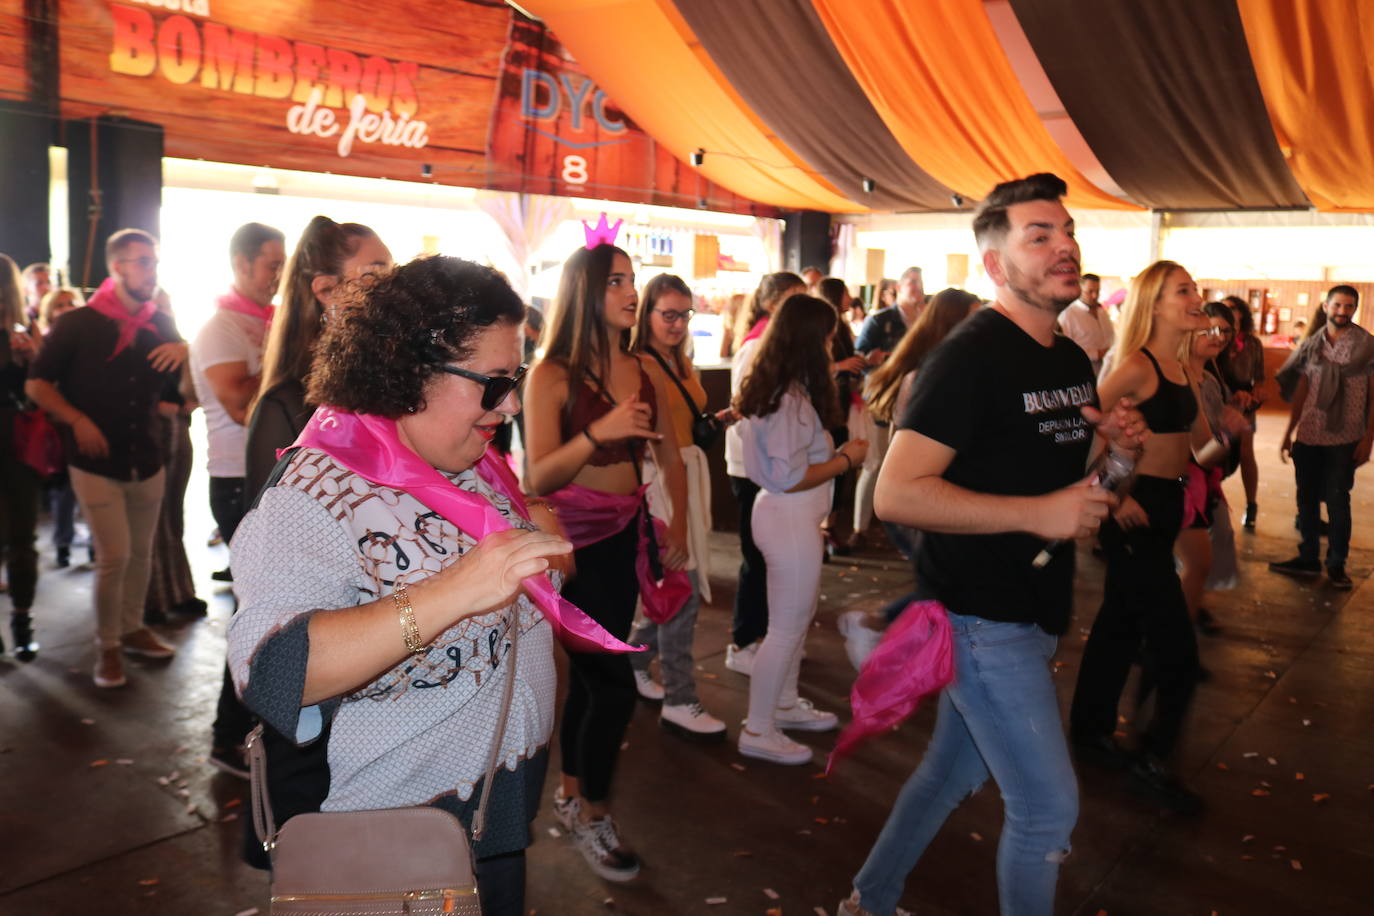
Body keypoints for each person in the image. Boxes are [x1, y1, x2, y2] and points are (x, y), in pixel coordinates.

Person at [227, 255, 576, 915]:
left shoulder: (469, 461)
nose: (509, 405)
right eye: (493, 383)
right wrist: (454, 591)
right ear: (413, 371)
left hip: (488, 816)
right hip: (396, 840)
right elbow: (273, 671)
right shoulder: (318, 492)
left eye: (516, 380)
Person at [838, 173, 1143, 916]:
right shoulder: (968, 357)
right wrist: (1038, 513)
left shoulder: (1070, 360)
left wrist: (1120, 456)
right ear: (996, 265)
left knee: (948, 775)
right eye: (1039, 235)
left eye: (1067, 231)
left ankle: (867, 901)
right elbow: (897, 493)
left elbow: (1074, 486)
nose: (1064, 245)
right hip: (978, 619)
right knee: (1046, 810)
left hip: (1032, 609)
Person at [524, 243, 690, 883]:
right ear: (585, 293)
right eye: (616, 281)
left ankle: (571, 793)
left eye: (631, 280)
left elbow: (669, 453)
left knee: (596, 680)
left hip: (626, 533)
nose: (629, 292)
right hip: (572, 545)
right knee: (614, 682)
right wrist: (602, 429)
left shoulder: (642, 365)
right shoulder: (551, 375)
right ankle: (592, 810)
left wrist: (682, 529)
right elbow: (538, 471)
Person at [1070, 261, 1246, 816]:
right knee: (1176, 650)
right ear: (1155, 303)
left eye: (1196, 288)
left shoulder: (1183, 367)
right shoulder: (1136, 367)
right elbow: (1083, 432)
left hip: (1169, 502)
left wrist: (1230, 432)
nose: (1196, 298)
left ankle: (1089, 728)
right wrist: (1114, 497)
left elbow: (1199, 453)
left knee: (1119, 625)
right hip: (1135, 507)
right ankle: (1154, 756)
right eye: (1184, 291)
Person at [26, 228, 188, 688]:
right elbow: (36, 385)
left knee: (139, 554)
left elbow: (184, 390)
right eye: (142, 262)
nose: (150, 271)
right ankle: (108, 647)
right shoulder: (78, 322)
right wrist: (76, 420)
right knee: (114, 557)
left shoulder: (161, 322)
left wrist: (185, 348)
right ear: (116, 267)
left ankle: (134, 628)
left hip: (148, 457)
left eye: (154, 262)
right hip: (95, 461)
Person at [735, 294, 868, 765]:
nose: (833, 348)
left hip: (791, 517)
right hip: (789, 516)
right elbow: (790, 476)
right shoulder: (787, 400)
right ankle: (759, 727)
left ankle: (783, 706)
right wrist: (845, 460)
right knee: (786, 629)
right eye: (828, 339)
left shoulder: (780, 391)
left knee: (794, 622)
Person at [837, 289, 981, 667]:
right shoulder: (929, 374)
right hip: (919, 498)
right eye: (975, 317)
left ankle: (891, 635)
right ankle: (875, 626)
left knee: (943, 583)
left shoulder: (949, 367)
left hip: (932, 496)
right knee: (943, 583)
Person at [626, 273, 729, 738]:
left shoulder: (679, 359)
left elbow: (685, 422)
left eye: (685, 314)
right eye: (668, 314)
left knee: (674, 584)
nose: (678, 323)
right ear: (646, 313)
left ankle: (634, 659)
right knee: (680, 584)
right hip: (660, 481)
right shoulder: (639, 364)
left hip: (687, 473)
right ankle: (681, 697)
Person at [244, 217, 390, 499]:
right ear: (325, 290)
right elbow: (263, 525)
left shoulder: (386, 386)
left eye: (392, 277)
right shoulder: (285, 405)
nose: (392, 291)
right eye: (374, 277)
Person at [190, 222, 286, 587]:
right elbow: (238, 407)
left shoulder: (270, 320)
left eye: (283, 266)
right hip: (236, 474)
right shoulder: (221, 327)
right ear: (242, 265)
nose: (279, 276)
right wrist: (282, 353)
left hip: (270, 468)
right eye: (272, 265)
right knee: (258, 590)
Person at [723, 271, 806, 676]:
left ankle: (769, 637)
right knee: (756, 557)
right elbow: (747, 409)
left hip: (771, 466)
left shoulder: (781, 348)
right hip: (752, 467)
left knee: (773, 557)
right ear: (773, 304)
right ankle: (742, 641)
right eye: (795, 300)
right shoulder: (755, 347)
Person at [1270, 285, 1374, 590]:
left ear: (1354, 309)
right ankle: (1308, 557)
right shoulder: (1312, 344)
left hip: (1346, 435)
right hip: (1309, 434)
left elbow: (1373, 395)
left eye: (1349, 306)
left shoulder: (1367, 345)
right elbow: (1302, 389)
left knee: (1338, 502)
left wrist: (1369, 438)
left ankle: (1336, 564)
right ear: (1326, 306)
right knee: (1307, 500)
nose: (1343, 312)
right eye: (1338, 305)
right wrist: (1289, 432)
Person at [1174, 303, 1246, 636]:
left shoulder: (1208, 376)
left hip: (1202, 479)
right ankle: (1173, 640)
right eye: (1206, 332)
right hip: (1183, 482)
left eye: (1219, 331)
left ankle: (1182, 623)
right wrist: (1227, 431)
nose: (1216, 337)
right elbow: (1201, 450)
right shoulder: (1183, 378)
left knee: (1201, 559)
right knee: (1194, 562)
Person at [852, 266, 925, 549]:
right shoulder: (881, 319)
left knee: (907, 464)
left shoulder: (925, 320)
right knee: (875, 462)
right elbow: (861, 356)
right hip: (882, 399)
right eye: (911, 282)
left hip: (914, 399)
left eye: (920, 282)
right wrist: (878, 358)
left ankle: (898, 526)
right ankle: (860, 527)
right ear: (898, 287)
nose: (917, 287)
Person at [1, 254, 41, 659]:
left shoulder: (25, 329)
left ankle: (22, 618)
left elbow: (40, 390)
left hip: (17, 441)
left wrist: (31, 358)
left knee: (22, 538)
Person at [816, 278, 869, 557]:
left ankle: (830, 526)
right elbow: (815, 366)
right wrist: (841, 366)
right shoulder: (824, 328)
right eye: (846, 292)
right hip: (829, 408)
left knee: (840, 470)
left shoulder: (842, 327)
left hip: (843, 404)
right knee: (831, 464)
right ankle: (824, 529)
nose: (850, 297)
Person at [36, 287, 84, 568]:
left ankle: (92, 545)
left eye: (71, 303)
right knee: (64, 490)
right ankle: (63, 542)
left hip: (87, 424)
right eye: (60, 304)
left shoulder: (92, 340)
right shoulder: (44, 344)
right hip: (58, 427)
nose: (66, 308)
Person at [1218, 296, 1265, 528]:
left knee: (1246, 452)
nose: (1230, 312)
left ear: (1242, 313)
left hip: (1245, 401)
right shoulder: (1217, 338)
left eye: (1234, 308)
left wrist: (1256, 395)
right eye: (1225, 309)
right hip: (1218, 398)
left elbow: (1260, 379)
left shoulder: (1253, 344)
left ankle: (1252, 504)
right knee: (1218, 451)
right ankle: (1214, 502)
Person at [1057, 272, 1115, 374]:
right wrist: (1096, 353)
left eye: (1097, 291)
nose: (1095, 296)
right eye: (1090, 291)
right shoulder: (1068, 314)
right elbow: (1064, 350)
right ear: (1079, 290)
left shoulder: (1102, 313)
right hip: (1082, 371)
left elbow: (1111, 337)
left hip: (1106, 371)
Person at [20, 262, 52, 327]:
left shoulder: (60, 316)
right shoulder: (22, 319)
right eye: (39, 283)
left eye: (49, 282)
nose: (47, 287)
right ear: (25, 290)